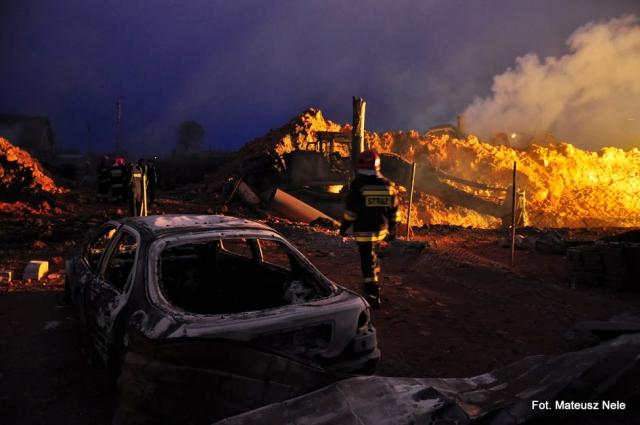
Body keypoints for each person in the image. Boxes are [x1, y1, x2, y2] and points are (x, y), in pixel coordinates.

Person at [339, 149, 400, 309]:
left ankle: (373, 293)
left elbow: (351, 212)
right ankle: (374, 280)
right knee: (375, 258)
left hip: (364, 232)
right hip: (381, 232)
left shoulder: (358, 185)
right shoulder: (388, 185)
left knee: (367, 262)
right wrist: (393, 230)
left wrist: (344, 227)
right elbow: (395, 213)